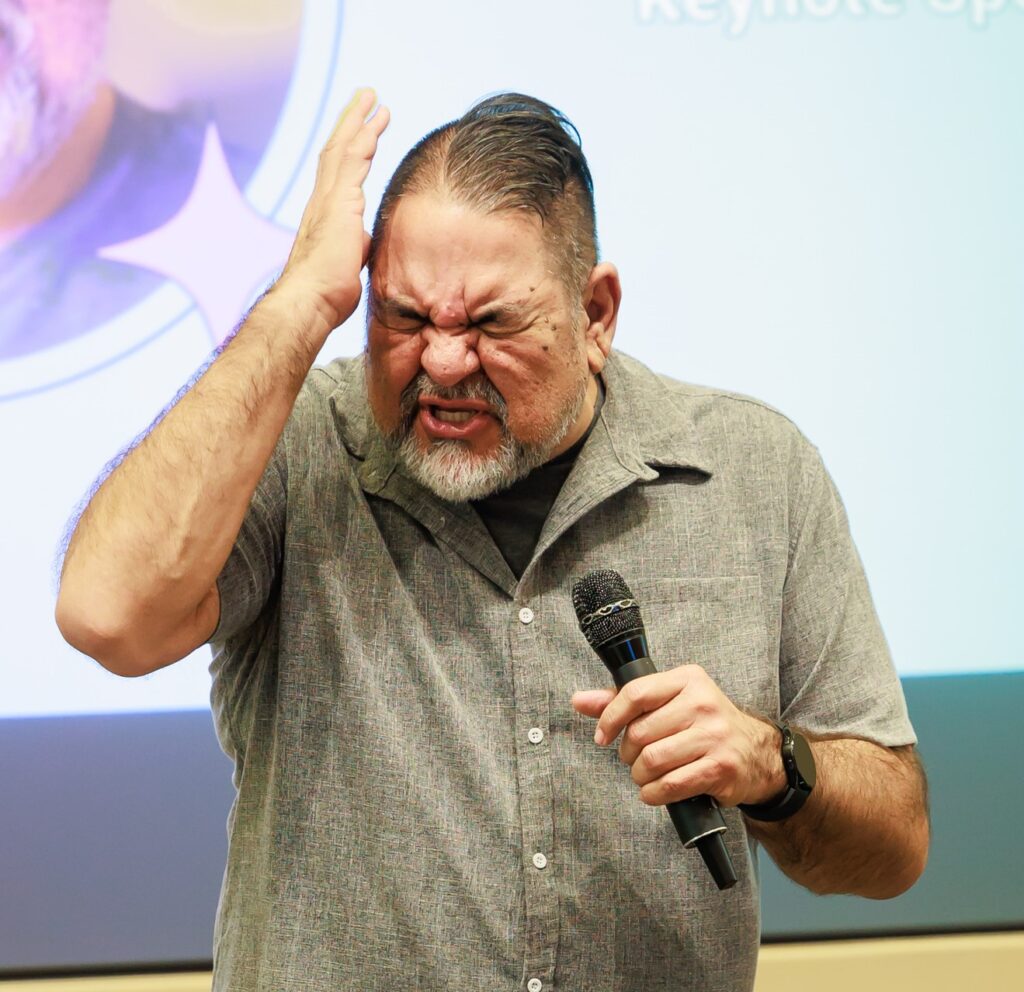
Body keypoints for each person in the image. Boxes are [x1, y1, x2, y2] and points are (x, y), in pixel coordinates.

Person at [56, 89, 930, 991]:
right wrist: (296, 305)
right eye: (402, 316)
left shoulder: (754, 472)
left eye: (488, 323)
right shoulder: (294, 447)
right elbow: (106, 615)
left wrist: (771, 765)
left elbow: (891, 852)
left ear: (596, 314)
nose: (441, 362)